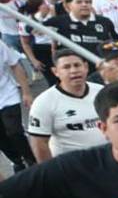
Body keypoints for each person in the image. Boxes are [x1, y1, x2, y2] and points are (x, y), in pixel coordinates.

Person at [25, 51, 106, 162]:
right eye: (66, 67)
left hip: (107, 160)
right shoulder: (43, 102)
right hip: (71, 166)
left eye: (77, 65)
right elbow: (39, 143)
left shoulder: (102, 91)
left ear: (86, 67)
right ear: (55, 72)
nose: (73, 70)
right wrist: (49, 170)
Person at [45, 0, 117, 69]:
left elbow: (116, 41)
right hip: (74, 69)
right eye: (79, 2)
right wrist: (41, 15)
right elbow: (34, 30)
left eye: (87, 2)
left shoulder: (104, 21)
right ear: (68, 5)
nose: (84, 5)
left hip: (101, 67)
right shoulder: (58, 21)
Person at [0, 39, 34, 174]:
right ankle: (17, 161)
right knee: (2, 138)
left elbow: (15, 65)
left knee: (14, 131)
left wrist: (26, 92)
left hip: (7, 95)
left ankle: (31, 159)